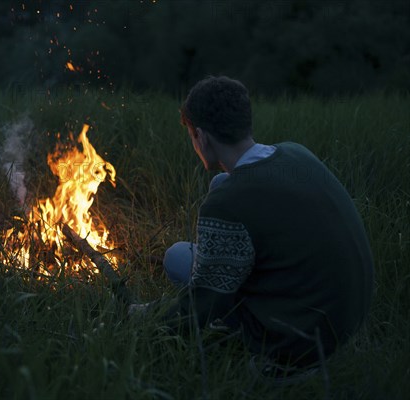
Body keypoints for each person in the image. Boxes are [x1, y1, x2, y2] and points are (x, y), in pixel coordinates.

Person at [135, 76, 374, 382]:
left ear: (201, 137)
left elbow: (204, 304)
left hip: (300, 337)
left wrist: (146, 327)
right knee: (211, 200)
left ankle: (285, 368)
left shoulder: (227, 204)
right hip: (346, 313)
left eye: (191, 135)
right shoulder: (294, 152)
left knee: (176, 258)